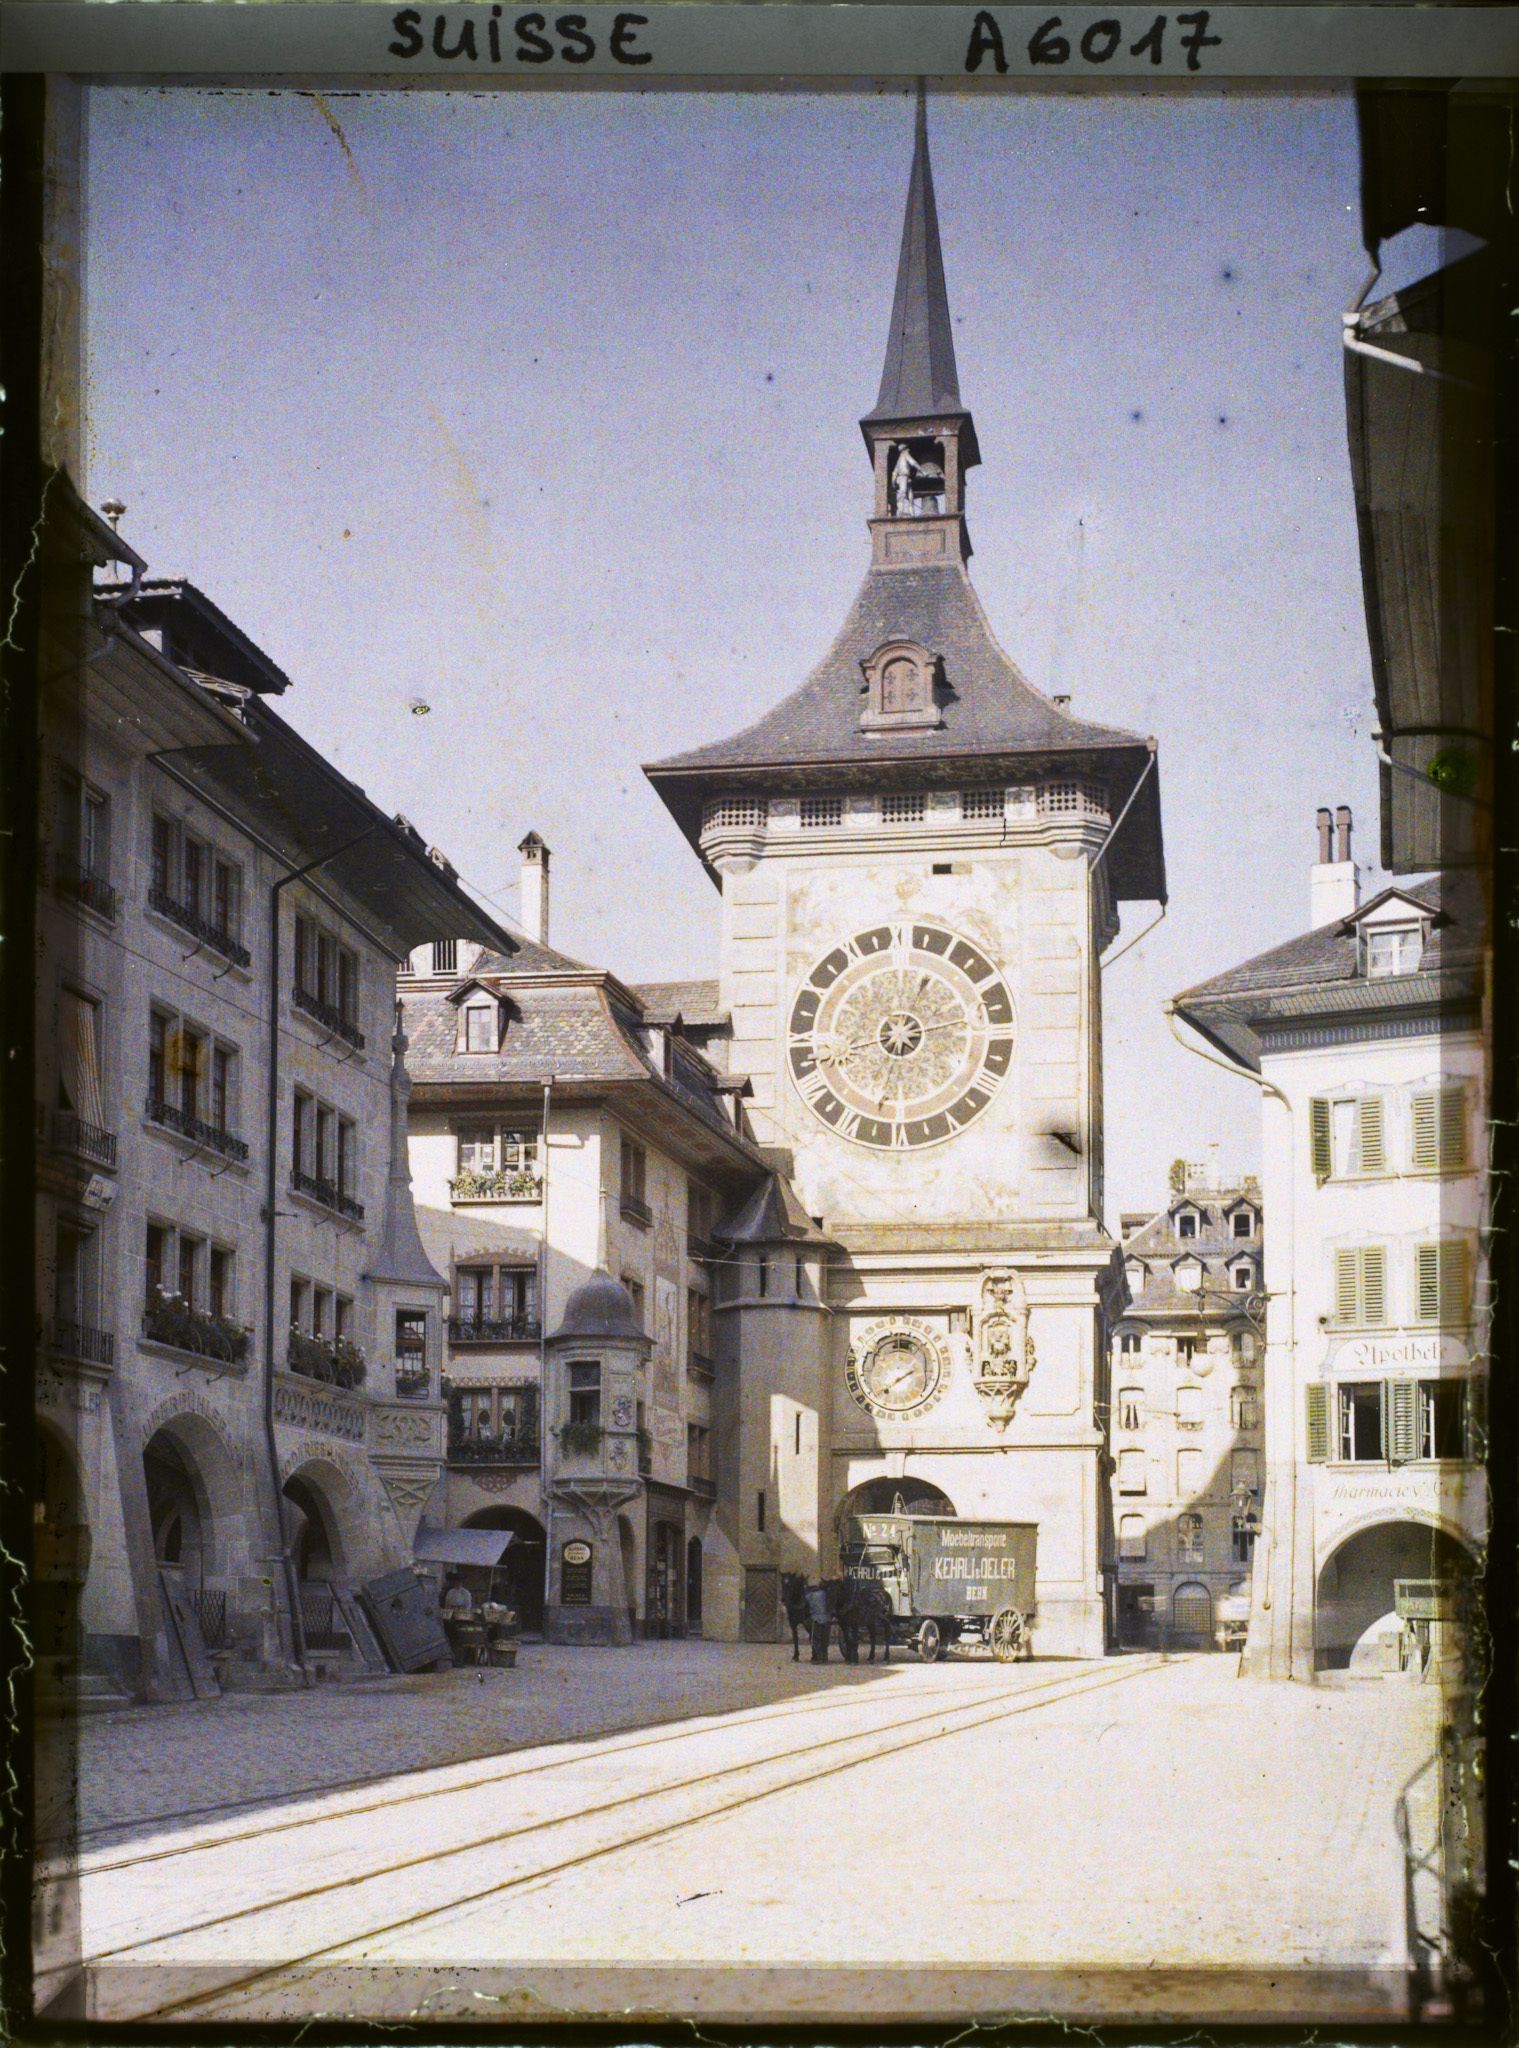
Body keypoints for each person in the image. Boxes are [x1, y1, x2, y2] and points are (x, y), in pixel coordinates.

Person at [805, 1581, 832, 1664]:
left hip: (816, 1620)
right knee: (825, 1639)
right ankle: (824, 1657)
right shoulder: (826, 1595)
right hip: (827, 1619)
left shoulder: (810, 1595)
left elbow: (806, 1605)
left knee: (816, 1639)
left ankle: (817, 1657)